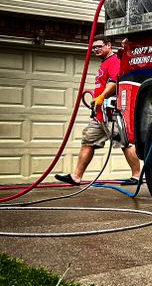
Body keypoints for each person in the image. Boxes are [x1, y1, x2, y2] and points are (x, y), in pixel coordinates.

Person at [55, 37, 141, 186]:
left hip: (111, 115)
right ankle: (76, 177)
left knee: (125, 143)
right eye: (93, 48)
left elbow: (115, 82)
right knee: (88, 140)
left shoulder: (114, 61)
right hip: (99, 115)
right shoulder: (104, 64)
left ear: (108, 46)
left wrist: (101, 96)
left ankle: (137, 176)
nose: (96, 50)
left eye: (99, 46)